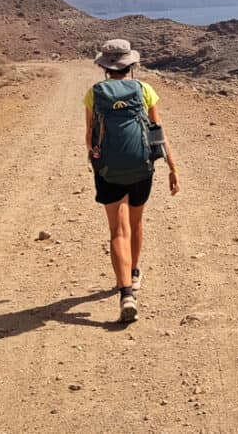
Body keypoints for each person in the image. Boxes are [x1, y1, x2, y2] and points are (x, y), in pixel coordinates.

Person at [84, 39, 179, 322]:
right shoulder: (145, 90)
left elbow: (90, 135)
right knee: (136, 223)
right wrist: (173, 168)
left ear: (105, 67)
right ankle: (134, 274)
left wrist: (97, 164)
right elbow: (157, 133)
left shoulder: (94, 94)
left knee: (117, 231)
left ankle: (125, 292)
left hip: (108, 170)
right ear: (131, 65)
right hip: (141, 168)